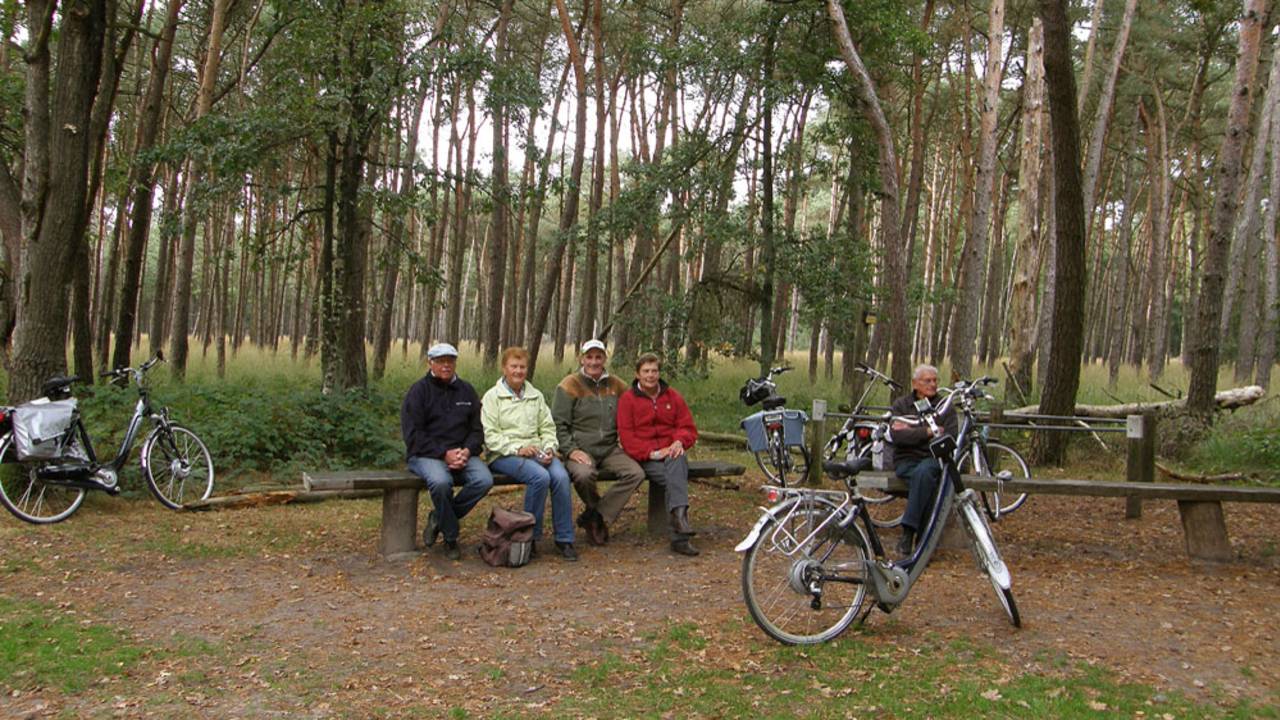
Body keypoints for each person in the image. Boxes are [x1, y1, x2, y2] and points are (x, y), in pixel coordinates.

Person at [481, 347, 578, 561]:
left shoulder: (535, 396)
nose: (518, 371)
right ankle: (529, 537)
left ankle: (564, 538)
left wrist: (550, 448)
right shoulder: (492, 397)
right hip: (504, 455)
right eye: (513, 366)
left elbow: (548, 427)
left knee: (561, 477)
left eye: (522, 367)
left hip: (537, 452)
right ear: (504, 368)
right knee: (540, 477)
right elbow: (491, 436)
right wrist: (517, 449)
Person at [401, 342, 493, 561]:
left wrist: (467, 451)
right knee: (441, 482)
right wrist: (444, 453)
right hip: (425, 455)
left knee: (484, 480)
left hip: (462, 453)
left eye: (450, 361)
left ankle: (439, 517)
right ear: (430, 363)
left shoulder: (466, 390)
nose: (446, 366)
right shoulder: (418, 392)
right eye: (440, 361)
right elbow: (413, 435)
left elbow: (477, 430)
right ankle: (451, 537)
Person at [551, 339, 646, 546]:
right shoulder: (568, 385)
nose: (594, 362)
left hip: (610, 448)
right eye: (589, 357)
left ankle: (596, 515)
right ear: (582, 359)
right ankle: (594, 512)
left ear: (604, 358)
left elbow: (635, 406)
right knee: (584, 475)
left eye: (598, 357)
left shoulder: (616, 385)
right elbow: (558, 424)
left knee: (635, 473)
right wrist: (570, 450)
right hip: (580, 448)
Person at [616, 352, 700, 556]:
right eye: (646, 371)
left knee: (677, 459)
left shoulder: (672, 396)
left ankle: (679, 520)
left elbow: (688, 427)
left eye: (654, 371)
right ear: (638, 374)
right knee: (676, 477)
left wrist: (679, 441)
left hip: (671, 454)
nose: (651, 375)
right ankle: (680, 533)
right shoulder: (628, 400)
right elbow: (628, 439)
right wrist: (654, 453)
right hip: (646, 458)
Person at [887, 364, 958, 558]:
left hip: (933, 460)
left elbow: (950, 437)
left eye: (935, 380)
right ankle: (923, 546)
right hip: (906, 461)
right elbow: (897, 436)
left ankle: (908, 533)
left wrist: (913, 433)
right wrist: (927, 432)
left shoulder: (945, 407)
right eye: (927, 381)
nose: (933, 384)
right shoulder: (901, 405)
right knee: (927, 483)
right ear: (915, 384)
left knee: (925, 473)